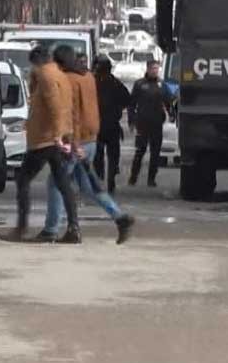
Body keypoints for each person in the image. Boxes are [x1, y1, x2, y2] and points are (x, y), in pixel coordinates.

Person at [37, 48, 135, 245]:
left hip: (76, 141)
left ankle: (51, 229)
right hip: (90, 139)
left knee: (56, 182)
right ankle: (119, 217)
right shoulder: (88, 77)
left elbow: (71, 113)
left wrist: (72, 142)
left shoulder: (68, 81)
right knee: (89, 186)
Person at [0, 45, 80, 244]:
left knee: (23, 180)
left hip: (45, 140)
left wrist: (57, 135)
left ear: (36, 61)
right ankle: (73, 228)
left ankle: (21, 227)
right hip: (56, 137)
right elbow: (67, 107)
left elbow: (54, 106)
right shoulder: (60, 75)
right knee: (63, 183)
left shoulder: (45, 76)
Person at [92, 56, 131, 194]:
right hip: (109, 125)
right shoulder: (114, 83)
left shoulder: (93, 82)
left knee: (100, 155)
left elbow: (127, 99)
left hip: (99, 125)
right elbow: (127, 99)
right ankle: (109, 177)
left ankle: (103, 178)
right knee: (110, 155)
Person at [128, 59, 170, 187]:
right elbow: (132, 104)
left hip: (157, 123)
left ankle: (151, 179)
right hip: (142, 123)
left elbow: (168, 102)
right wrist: (132, 120)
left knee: (155, 153)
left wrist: (171, 114)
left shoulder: (162, 85)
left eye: (157, 68)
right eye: (153, 68)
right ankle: (133, 177)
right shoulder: (140, 84)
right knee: (140, 151)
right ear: (147, 69)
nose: (155, 71)